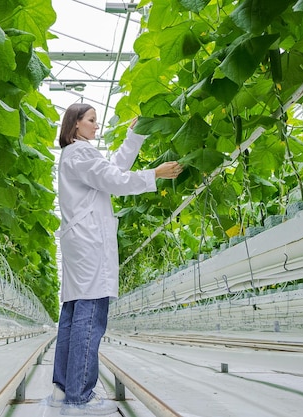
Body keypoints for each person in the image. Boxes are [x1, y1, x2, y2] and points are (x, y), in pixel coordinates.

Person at [47, 103, 183, 416]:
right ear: (75, 124)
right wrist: (154, 174)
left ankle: (64, 388)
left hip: (81, 241)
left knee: (73, 312)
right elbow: (115, 180)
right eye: (92, 120)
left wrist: (133, 136)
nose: (97, 126)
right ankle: (80, 396)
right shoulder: (80, 154)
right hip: (89, 241)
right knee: (91, 314)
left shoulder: (78, 155)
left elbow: (113, 170)